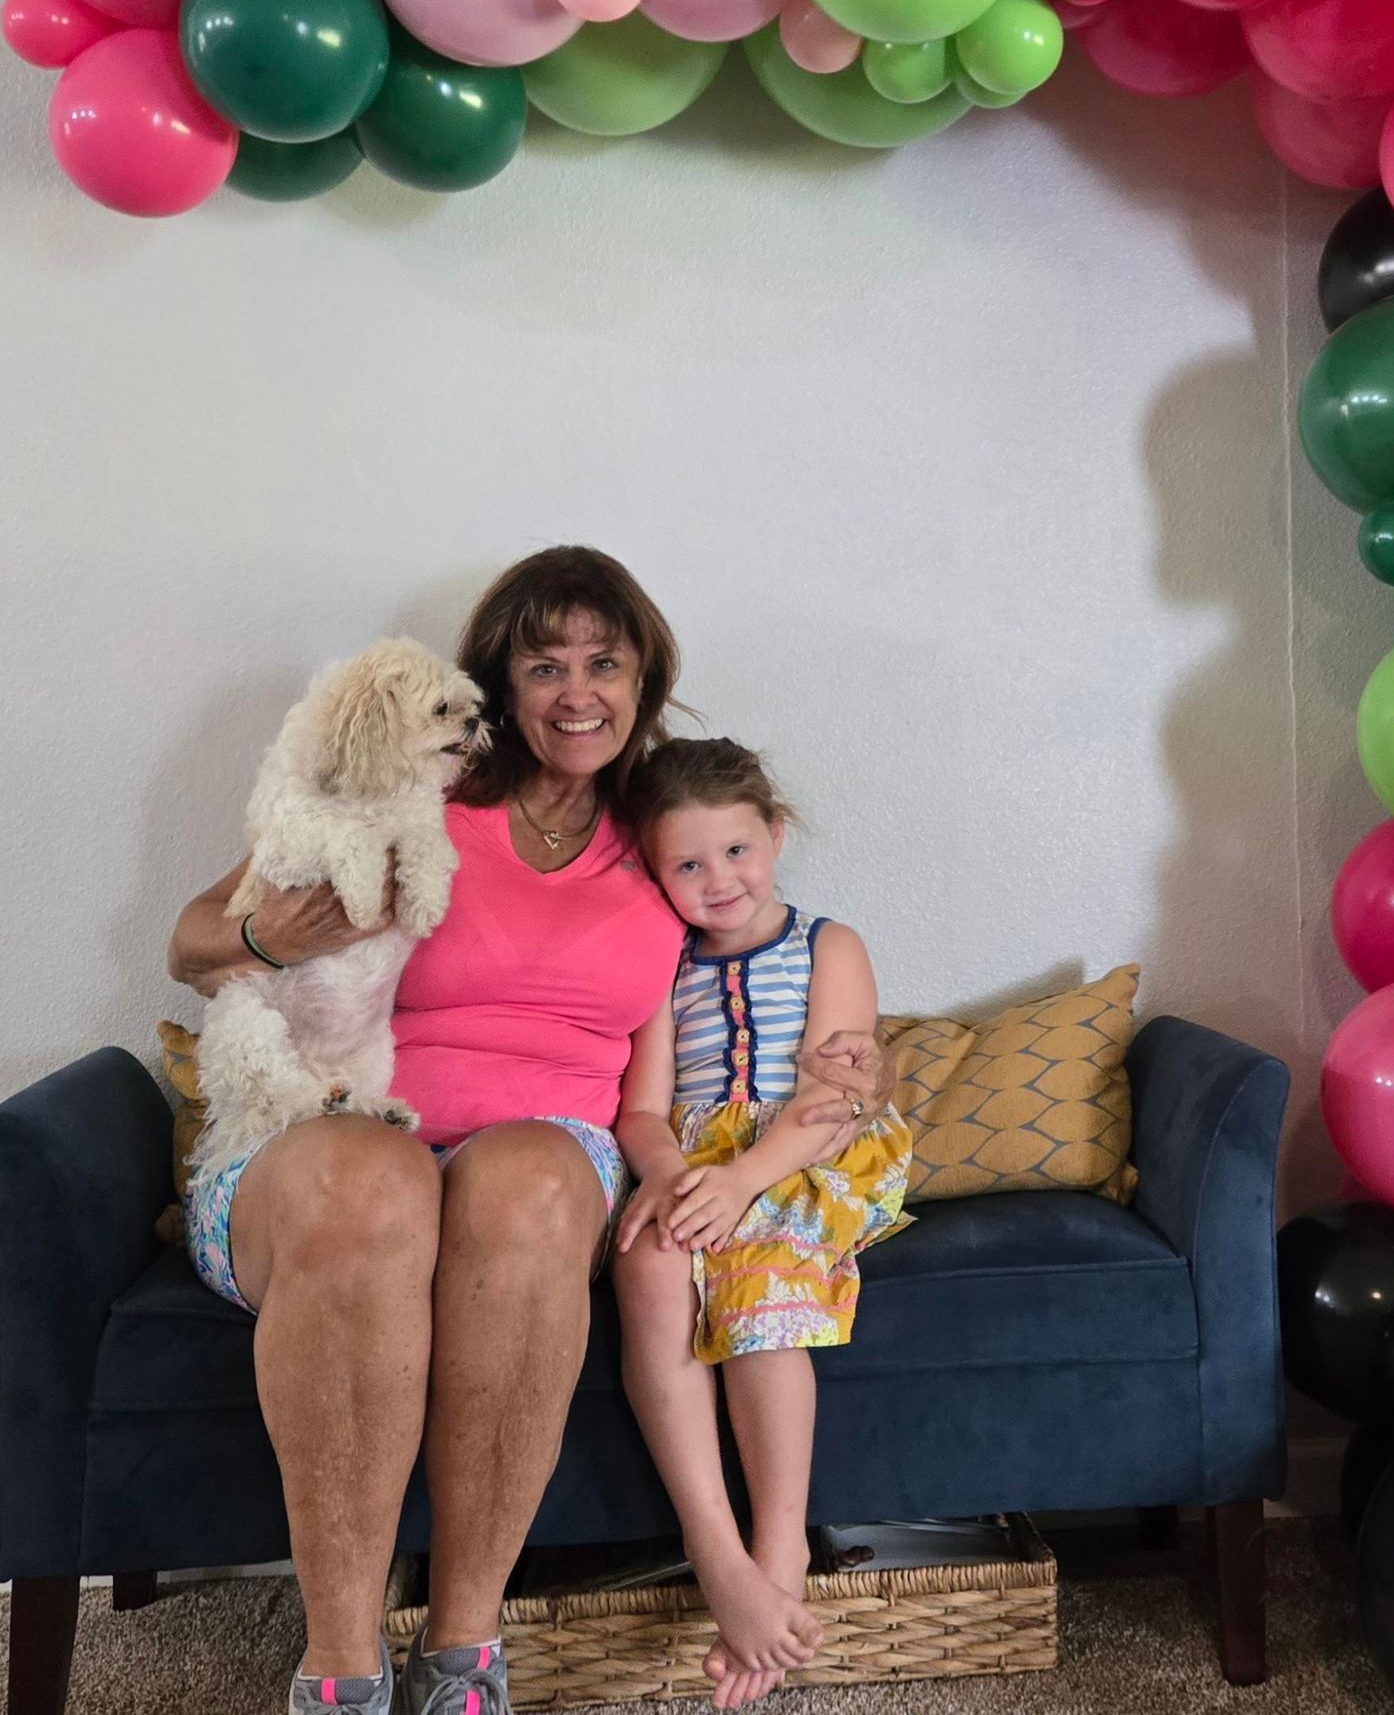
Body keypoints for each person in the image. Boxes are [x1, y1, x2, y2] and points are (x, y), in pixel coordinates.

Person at [167, 548, 893, 1715]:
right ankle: (342, 1671)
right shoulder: (412, 784)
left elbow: (777, 963)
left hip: (546, 1158)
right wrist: (268, 942)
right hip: (335, 1134)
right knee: (371, 1181)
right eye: (544, 661)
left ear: (643, 673)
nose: (576, 690)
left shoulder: (665, 831)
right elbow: (192, 938)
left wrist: (846, 1069)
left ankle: (465, 1657)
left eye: (604, 661)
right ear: (498, 677)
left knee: (528, 1180)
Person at [613, 738, 912, 1713]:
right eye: (688, 864)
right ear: (657, 874)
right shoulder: (662, 968)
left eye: (737, 850)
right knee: (653, 1256)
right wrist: (671, 1175)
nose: (719, 880)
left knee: (755, 1263)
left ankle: (776, 1547)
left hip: (806, 1153)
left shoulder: (831, 943)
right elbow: (642, 1113)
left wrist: (741, 1180)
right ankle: (722, 1553)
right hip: (704, 1159)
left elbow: (834, 1097)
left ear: (775, 834)